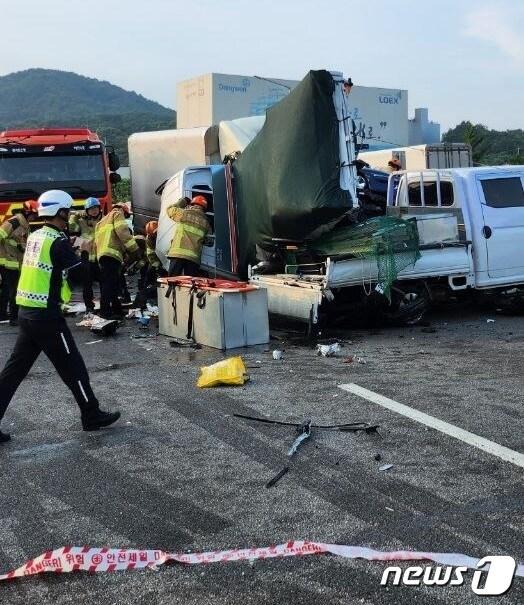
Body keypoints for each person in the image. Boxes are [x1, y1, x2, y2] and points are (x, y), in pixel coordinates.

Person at [0, 190, 120, 444]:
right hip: (46, 316)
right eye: (68, 212)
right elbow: (80, 276)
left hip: (27, 312)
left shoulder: (36, 236)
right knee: (73, 367)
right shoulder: (57, 241)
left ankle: (91, 413)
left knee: (13, 372)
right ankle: (91, 415)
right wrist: (85, 252)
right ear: (61, 212)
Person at [94, 202, 140, 319]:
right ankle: (105, 313)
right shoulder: (117, 214)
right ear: (122, 210)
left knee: (112, 284)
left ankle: (117, 310)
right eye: (126, 215)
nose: (125, 217)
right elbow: (122, 233)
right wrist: (134, 250)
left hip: (102, 255)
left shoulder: (101, 222)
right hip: (112, 254)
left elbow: (97, 242)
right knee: (109, 285)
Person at [0, 200, 39, 326]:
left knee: (8, 289)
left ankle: (3, 314)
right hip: (8, 261)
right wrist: (17, 245)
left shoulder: (25, 224)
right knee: (14, 290)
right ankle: (14, 318)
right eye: (34, 214)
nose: (35, 217)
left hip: (15, 262)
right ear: (27, 212)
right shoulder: (14, 222)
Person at [69, 197, 102, 312]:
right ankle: (89, 306)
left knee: (103, 281)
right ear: (86, 210)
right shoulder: (82, 221)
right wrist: (75, 216)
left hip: (99, 255)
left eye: (95, 208)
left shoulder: (103, 220)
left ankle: (105, 304)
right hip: (86, 255)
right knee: (87, 283)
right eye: (90, 209)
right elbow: (72, 228)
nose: (94, 211)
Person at [166, 195, 213, 277]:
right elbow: (209, 242)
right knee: (189, 285)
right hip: (193, 258)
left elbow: (169, 210)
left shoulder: (184, 214)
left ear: (192, 204)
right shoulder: (207, 222)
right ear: (204, 208)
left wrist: (183, 202)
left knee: (172, 281)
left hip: (178, 253)